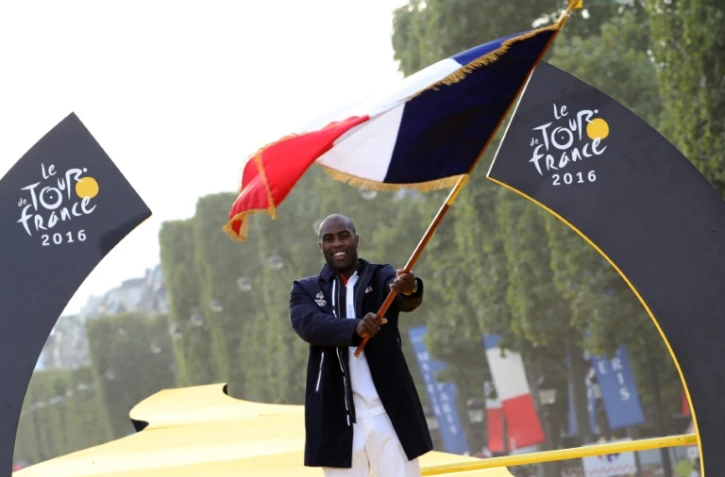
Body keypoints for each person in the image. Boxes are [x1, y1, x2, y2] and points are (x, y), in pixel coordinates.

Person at [289, 214, 433, 477]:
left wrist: (410, 288)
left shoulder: (381, 276)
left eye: (343, 235)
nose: (337, 243)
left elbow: (405, 297)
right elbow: (308, 325)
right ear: (320, 246)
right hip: (336, 416)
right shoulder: (305, 289)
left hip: (389, 413)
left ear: (356, 239)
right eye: (328, 238)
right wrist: (354, 328)